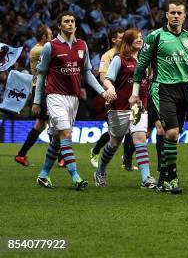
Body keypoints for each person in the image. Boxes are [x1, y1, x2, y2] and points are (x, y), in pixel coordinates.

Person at [129, 0, 188, 195]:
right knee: (172, 132)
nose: (176, 16)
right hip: (162, 88)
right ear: (166, 15)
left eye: (179, 13)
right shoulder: (155, 37)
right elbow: (141, 65)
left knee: (172, 135)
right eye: (172, 12)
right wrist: (134, 94)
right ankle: (172, 177)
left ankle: (163, 178)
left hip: (184, 89)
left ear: (184, 16)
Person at [34, 11, 114, 189]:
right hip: (55, 96)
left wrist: (102, 92)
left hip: (73, 99)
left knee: (57, 139)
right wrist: (37, 101)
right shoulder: (50, 46)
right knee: (66, 134)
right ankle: (75, 176)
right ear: (60, 26)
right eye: (66, 21)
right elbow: (41, 74)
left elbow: (86, 72)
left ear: (76, 25)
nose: (70, 24)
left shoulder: (82, 45)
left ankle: (43, 175)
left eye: (72, 21)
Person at [95, 28, 157, 189]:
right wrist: (111, 89)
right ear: (128, 41)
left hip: (137, 107)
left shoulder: (146, 60)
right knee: (114, 143)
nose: (140, 39)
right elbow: (107, 79)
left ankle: (146, 178)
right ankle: (100, 171)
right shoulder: (119, 59)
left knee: (140, 139)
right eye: (136, 37)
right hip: (119, 107)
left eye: (141, 37)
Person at [15, 25, 63, 167]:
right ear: (44, 37)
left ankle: (21, 155)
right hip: (42, 89)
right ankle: (61, 157)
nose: (52, 36)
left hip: (43, 88)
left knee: (41, 124)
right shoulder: (39, 50)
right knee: (51, 123)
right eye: (50, 34)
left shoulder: (39, 49)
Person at [90, 27, 136, 171]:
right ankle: (96, 150)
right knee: (114, 132)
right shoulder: (107, 56)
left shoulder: (132, 55)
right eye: (121, 37)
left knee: (133, 128)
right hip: (113, 97)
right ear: (114, 40)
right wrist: (111, 91)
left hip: (131, 98)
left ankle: (126, 161)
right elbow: (103, 77)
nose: (124, 40)